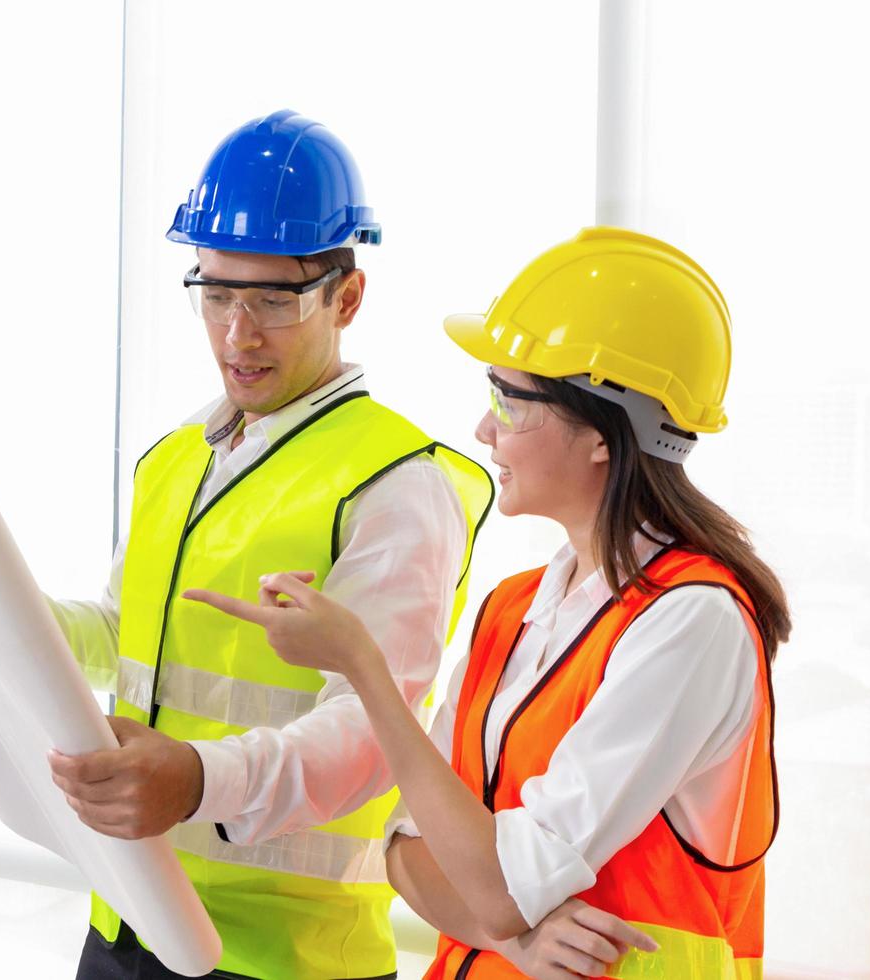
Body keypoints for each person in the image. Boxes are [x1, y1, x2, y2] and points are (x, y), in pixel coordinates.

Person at [0, 109, 500, 978]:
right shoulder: (178, 460)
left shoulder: (398, 483)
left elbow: (373, 729)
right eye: (215, 294)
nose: (237, 333)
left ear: (347, 298)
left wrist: (202, 780)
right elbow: (112, 632)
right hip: (130, 916)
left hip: (287, 958)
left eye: (272, 300)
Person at [187, 227, 788, 978]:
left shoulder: (693, 620)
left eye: (509, 402)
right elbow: (404, 848)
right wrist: (512, 937)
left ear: (604, 433)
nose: (482, 429)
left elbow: (498, 887)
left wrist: (363, 668)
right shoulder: (516, 609)